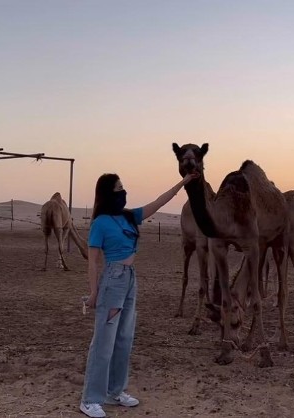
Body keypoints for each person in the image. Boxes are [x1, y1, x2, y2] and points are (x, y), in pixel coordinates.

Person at [79, 172, 198, 418]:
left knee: (124, 338)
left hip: (130, 279)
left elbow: (158, 202)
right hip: (113, 280)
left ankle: (116, 391)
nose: (124, 192)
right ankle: (90, 399)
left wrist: (183, 183)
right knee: (104, 341)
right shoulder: (100, 223)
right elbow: (93, 262)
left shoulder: (129, 217)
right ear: (108, 193)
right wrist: (93, 292)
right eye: (119, 188)